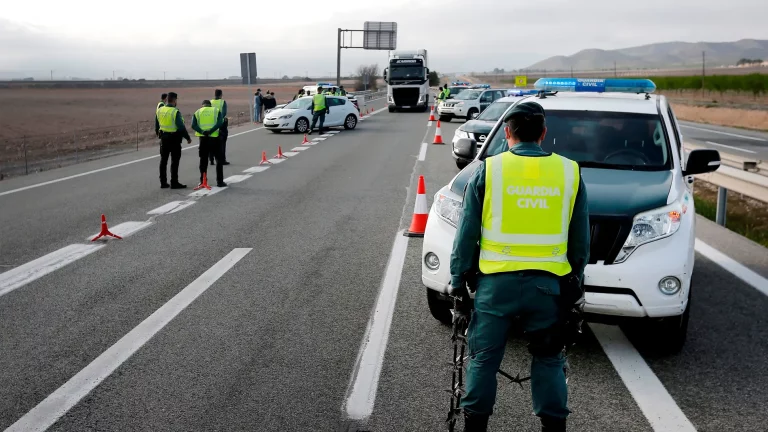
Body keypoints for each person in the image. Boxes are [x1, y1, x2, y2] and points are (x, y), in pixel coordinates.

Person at [449, 101, 590, 432]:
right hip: (548, 288)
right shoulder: (569, 172)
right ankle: (553, 427)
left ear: (507, 132)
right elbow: (580, 240)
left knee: (483, 359)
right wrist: (575, 279)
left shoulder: (489, 170)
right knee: (549, 359)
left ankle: (475, 426)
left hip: (495, 286)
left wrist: (457, 278)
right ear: (543, 133)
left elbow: (467, 232)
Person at [155, 92, 192, 189]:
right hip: (174, 139)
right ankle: (174, 182)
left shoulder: (160, 110)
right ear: (174, 100)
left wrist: (158, 134)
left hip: (164, 138)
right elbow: (181, 127)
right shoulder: (175, 112)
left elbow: (157, 124)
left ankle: (163, 182)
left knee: (163, 161)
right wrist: (188, 138)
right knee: (174, 161)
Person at [191, 100, 226, 187]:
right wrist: (211, 130)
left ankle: (203, 181)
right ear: (210, 105)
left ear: (202, 105)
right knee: (218, 160)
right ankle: (220, 181)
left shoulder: (197, 112)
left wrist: (202, 131)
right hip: (215, 138)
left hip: (203, 139)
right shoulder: (216, 110)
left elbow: (193, 125)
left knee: (203, 161)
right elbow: (220, 122)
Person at [210, 89, 230, 166]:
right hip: (221, 124)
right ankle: (222, 159)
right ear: (221, 95)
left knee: (212, 141)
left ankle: (211, 159)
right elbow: (224, 113)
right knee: (222, 143)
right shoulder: (222, 102)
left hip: (212, 124)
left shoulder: (210, 102)